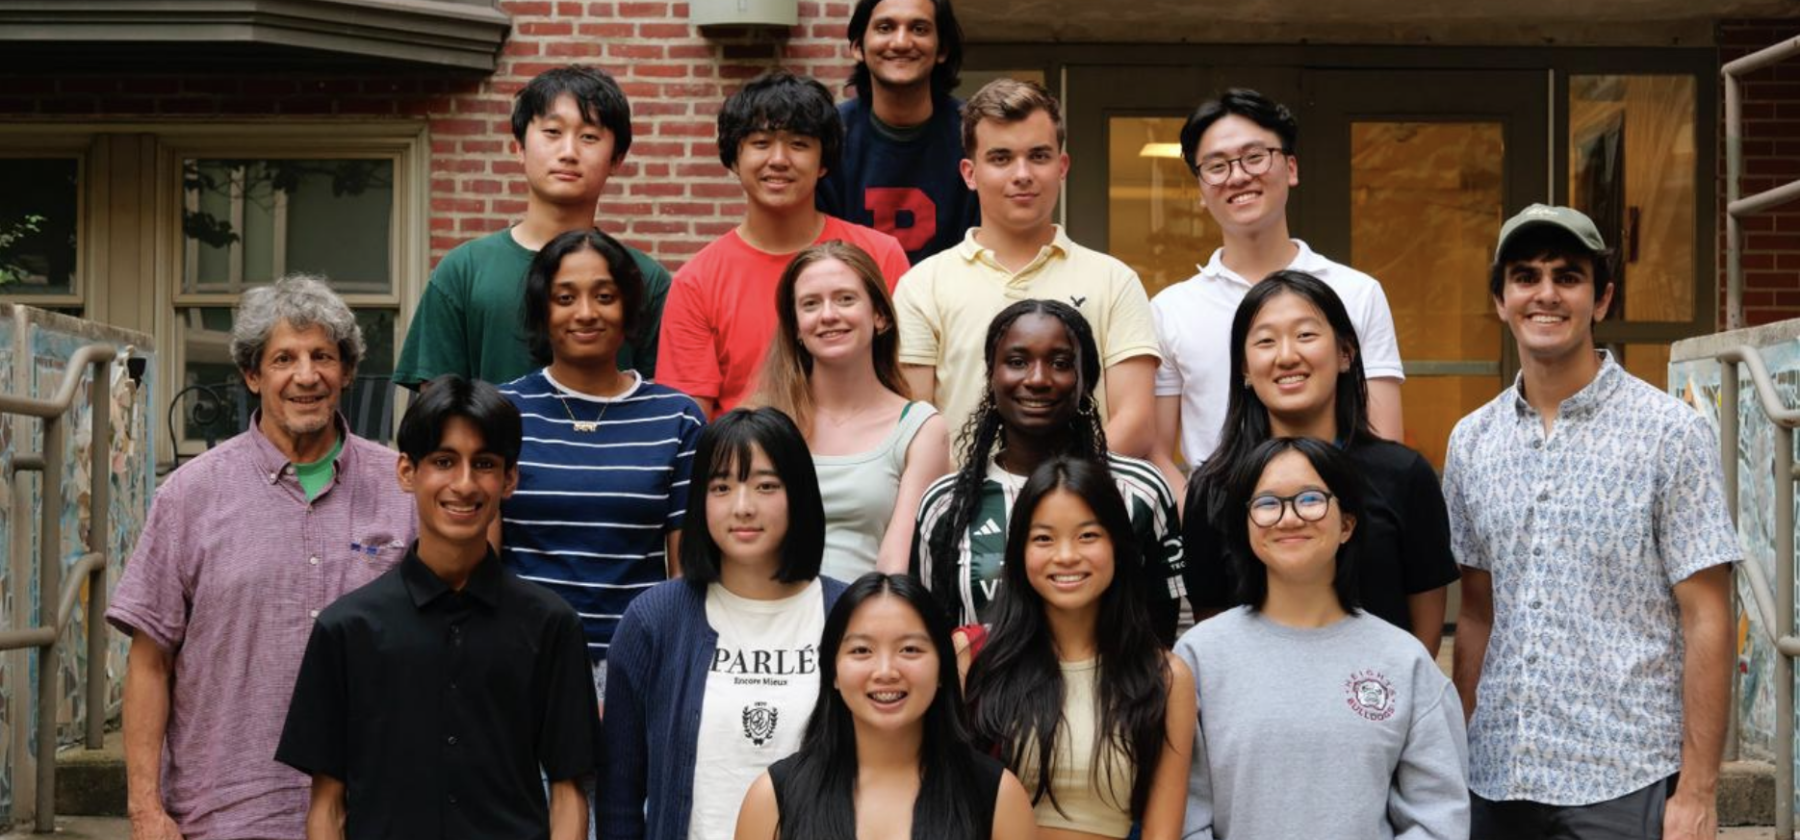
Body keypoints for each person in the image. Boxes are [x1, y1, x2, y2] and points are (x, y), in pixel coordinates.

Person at [1447, 204, 1739, 840]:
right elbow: (1476, 612)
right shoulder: (1472, 442)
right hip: (1496, 775)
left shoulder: (1671, 433)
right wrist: (1457, 750)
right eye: (1525, 276)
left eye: (1567, 276)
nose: (1545, 293)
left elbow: (1708, 617)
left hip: (1623, 778)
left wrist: (1698, 791)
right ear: (1501, 300)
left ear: (1601, 298)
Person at [106, 275, 417, 840]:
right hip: (226, 814)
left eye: (323, 355)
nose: (306, 375)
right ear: (253, 375)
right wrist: (146, 811)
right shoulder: (189, 495)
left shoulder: (403, 488)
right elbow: (150, 662)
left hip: (377, 810)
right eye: (283, 358)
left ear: (346, 371)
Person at [276, 375, 597, 840]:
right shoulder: (346, 630)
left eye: (484, 463)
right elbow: (327, 807)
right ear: (407, 472)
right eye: (444, 461)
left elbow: (569, 793)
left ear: (509, 479)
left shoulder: (551, 626)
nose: (464, 484)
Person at [1177, 437, 1469, 840]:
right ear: (1246, 528)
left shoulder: (1404, 661)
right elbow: (1184, 815)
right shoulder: (1200, 657)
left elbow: (1438, 816)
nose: (1290, 518)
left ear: (1347, 523)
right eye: (1266, 504)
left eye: (1311, 499)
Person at [600, 407, 849, 840]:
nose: (743, 506)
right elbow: (620, 797)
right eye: (721, 486)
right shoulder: (654, 621)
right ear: (699, 501)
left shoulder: (846, 613)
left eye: (766, 485)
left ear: (799, 494)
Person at [1183, 270, 1457, 653]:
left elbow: (1424, 631)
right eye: (1265, 341)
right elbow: (1213, 630)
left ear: (1345, 353)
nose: (1286, 355)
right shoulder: (1213, 486)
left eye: (1306, 335)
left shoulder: (1403, 475)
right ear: (1244, 368)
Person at [1151, 88, 1404, 496]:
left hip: (1337, 519)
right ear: (1200, 189)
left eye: (1254, 157)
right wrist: (1198, 521)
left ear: (1290, 168)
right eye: (1216, 166)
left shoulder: (1357, 293)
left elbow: (1384, 439)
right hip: (1219, 531)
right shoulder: (1171, 309)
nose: (1237, 176)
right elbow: (1156, 451)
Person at [894, 78, 1161, 459]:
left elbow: (1135, 423)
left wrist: (1055, 494)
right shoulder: (922, 286)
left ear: (1062, 166)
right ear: (970, 173)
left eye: (1038, 156)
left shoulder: (1115, 281)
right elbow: (914, 428)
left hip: (1083, 507)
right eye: (1001, 158)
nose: (1022, 173)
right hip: (964, 511)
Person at [497, 227, 707, 691]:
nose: (586, 313)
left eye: (605, 296)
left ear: (629, 308)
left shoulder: (678, 418)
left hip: (638, 663)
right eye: (565, 297)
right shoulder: (501, 412)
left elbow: (685, 570)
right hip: (522, 660)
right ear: (542, 310)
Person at [911, 299, 1183, 645]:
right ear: (991, 377)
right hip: (985, 698)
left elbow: (1157, 639)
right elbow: (933, 638)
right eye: (1017, 362)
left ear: (1085, 381)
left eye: (1059, 363)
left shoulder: (1139, 490)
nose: (1037, 379)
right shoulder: (946, 503)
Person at [394, 65, 671, 389]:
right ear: (519, 147)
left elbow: (660, 404)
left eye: (589, 137)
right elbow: (435, 410)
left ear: (617, 159)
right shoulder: (463, 271)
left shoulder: (644, 278)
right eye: (552, 132)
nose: (568, 152)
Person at [964, 457, 1195, 839]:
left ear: (1117, 547)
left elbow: (1162, 832)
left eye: (1088, 535)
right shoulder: (973, 658)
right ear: (1019, 552)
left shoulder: (1166, 678)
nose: (1066, 555)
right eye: (1043, 538)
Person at [658, 70, 910, 416]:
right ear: (734, 158)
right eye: (760, 143)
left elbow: (904, 381)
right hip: (748, 465)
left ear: (824, 162)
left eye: (799, 144)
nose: (778, 159)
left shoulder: (880, 256)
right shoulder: (696, 281)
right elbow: (688, 423)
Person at [733, 572, 1037, 840]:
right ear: (833, 672)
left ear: (942, 669)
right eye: (862, 650)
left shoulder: (998, 796)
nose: (886, 671)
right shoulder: (774, 798)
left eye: (910, 649)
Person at [749, 240, 950, 579]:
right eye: (811, 304)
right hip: (769, 618)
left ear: (880, 316)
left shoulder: (920, 429)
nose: (829, 315)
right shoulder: (763, 422)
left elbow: (896, 568)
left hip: (868, 621)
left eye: (845, 299)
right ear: (796, 327)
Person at [817, 0, 977, 263]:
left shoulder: (975, 134)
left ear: (942, 49)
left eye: (919, 29)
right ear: (858, 46)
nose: (901, 42)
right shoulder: (828, 137)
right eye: (885, 27)